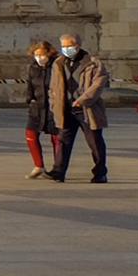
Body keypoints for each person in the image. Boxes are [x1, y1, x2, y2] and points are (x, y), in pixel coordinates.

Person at [47, 31, 109, 183]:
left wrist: (83, 100)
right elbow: (54, 86)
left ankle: (100, 172)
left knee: (94, 141)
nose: (66, 49)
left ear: (77, 46)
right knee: (63, 141)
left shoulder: (93, 63)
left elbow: (98, 84)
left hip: (87, 109)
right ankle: (59, 171)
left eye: (69, 46)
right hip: (65, 108)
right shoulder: (59, 63)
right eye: (63, 46)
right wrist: (53, 103)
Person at [22, 40, 56, 180]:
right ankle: (38, 166)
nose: (39, 57)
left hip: (53, 106)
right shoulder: (33, 67)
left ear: (48, 53)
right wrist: (29, 99)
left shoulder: (56, 66)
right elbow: (30, 84)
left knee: (57, 137)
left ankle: (58, 167)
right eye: (36, 55)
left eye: (42, 54)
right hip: (37, 106)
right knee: (31, 134)